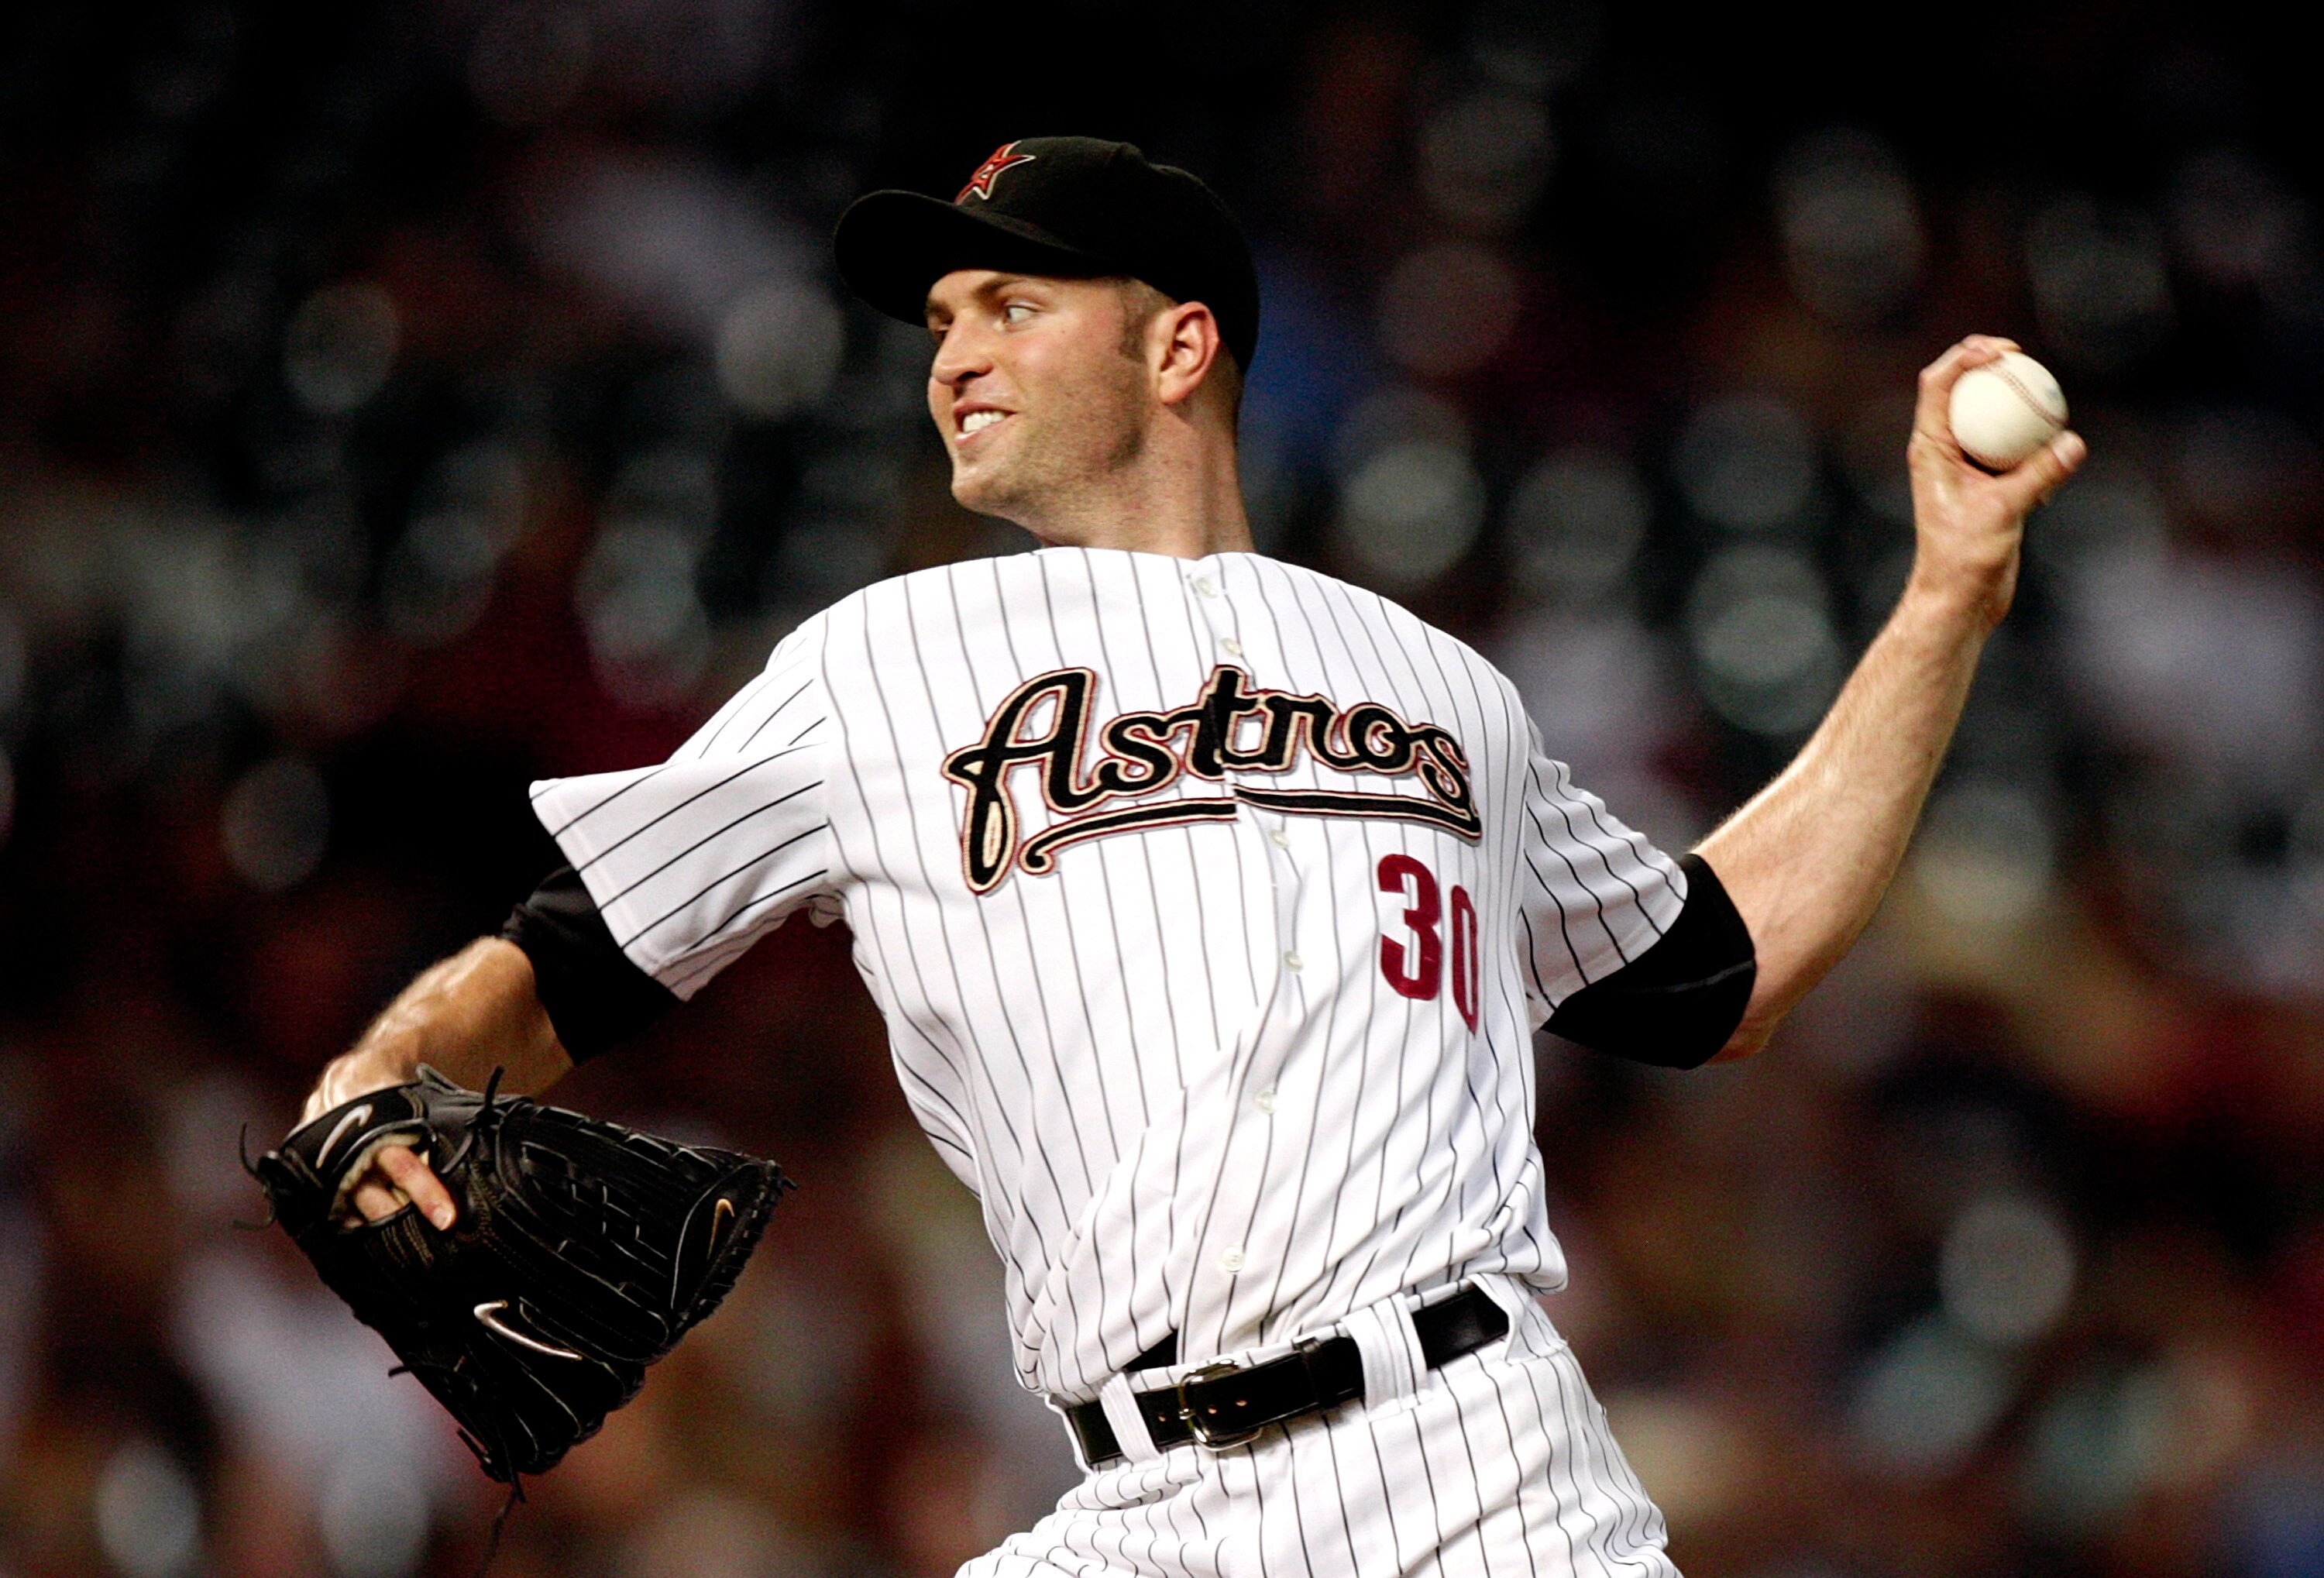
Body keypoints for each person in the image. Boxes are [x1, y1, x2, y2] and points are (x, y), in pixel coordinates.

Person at [301, 137, 2085, 1574]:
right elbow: (564, 959)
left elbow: (1723, 964)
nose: (954, 352)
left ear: (1177, 345)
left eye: (1010, 301)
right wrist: (387, 1072)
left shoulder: (1438, 682)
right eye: (938, 318)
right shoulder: (874, 665)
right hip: (1141, 1505)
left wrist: (1947, 593)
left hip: (1482, 1472)